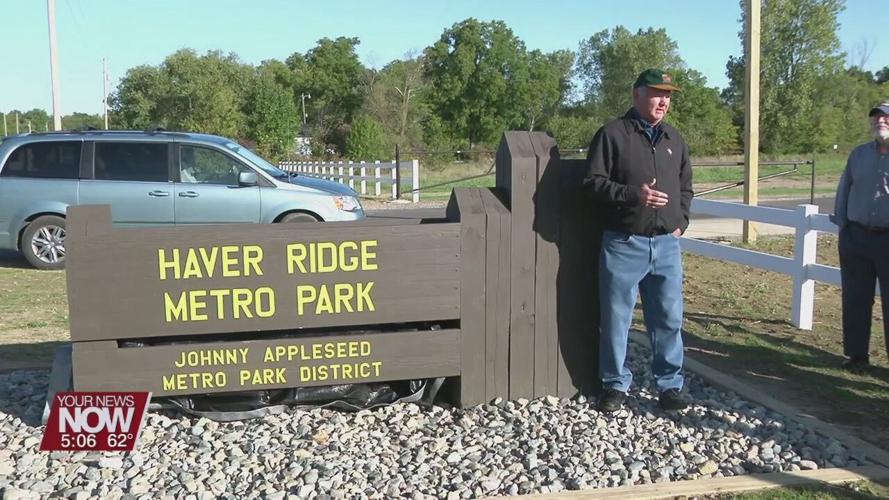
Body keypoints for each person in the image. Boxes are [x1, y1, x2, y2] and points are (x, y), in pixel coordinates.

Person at [583, 69, 694, 412]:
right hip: (624, 243)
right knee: (617, 318)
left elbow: (686, 187)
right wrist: (634, 195)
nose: (664, 101)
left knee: (668, 318)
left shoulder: (674, 139)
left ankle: (670, 385)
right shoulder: (613, 134)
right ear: (637, 95)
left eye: (669, 95)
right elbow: (592, 184)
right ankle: (615, 384)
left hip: (666, 245)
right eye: (657, 93)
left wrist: (681, 223)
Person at [831, 100, 889, 373]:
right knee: (855, 299)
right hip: (856, 238)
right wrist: (843, 226)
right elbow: (845, 189)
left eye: (886, 117)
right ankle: (856, 356)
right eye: (876, 117)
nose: (880, 121)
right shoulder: (858, 155)